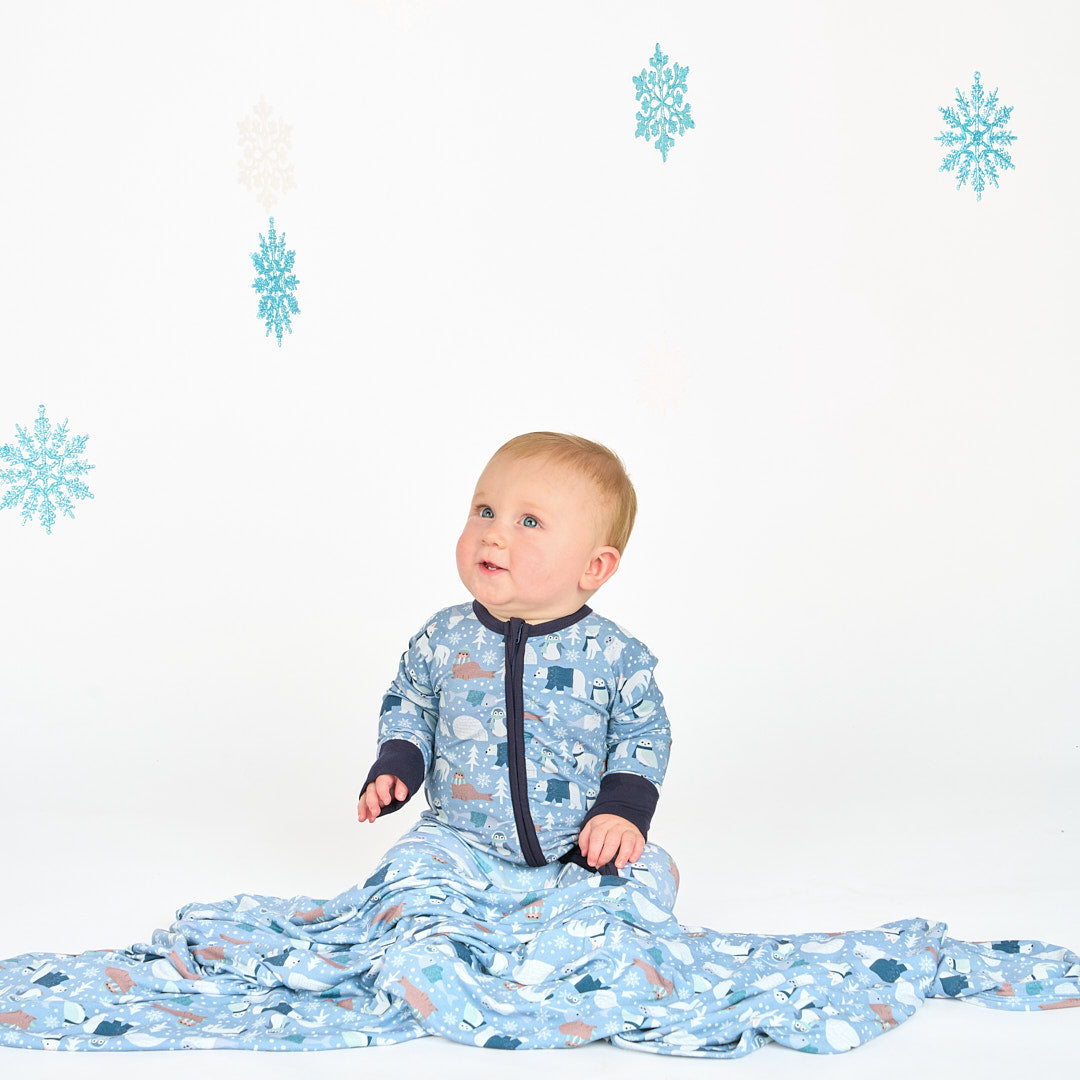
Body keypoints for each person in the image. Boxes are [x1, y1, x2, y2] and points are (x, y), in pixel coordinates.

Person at [356, 431, 671, 876]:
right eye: (485, 512)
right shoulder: (444, 636)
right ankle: (445, 926)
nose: (494, 534)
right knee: (402, 869)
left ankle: (571, 922)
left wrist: (623, 810)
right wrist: (399, 761)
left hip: (577, 850)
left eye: (529, 522)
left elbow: (644, 731)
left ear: (594, 566)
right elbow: (412, 701)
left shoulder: (615, 655)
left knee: (655, 871)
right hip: (458, 846)